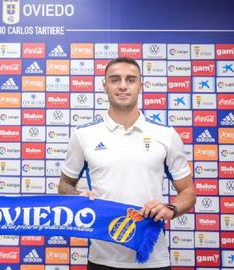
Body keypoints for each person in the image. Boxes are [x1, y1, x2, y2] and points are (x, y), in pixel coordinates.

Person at [59, 57, 196, 269]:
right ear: (105, 86)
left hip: (153, 258)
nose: (123, 85)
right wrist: (78, 197)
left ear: (141, 86)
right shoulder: (83, 135)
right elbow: (64, 185)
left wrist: (171, 208)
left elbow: (188, 191)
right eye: (115, 80)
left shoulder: (166, 135)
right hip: (102, 258)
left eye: (130, 80)